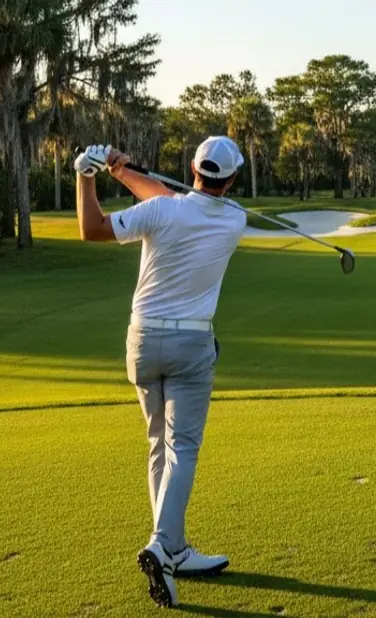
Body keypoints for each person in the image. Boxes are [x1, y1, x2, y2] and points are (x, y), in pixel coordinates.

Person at [74, 137, 248, 608]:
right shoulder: (236, 220)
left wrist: (89, 175)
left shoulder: (162, 212)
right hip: (191, 345)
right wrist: (122, 173)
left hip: (143, 341)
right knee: (183, 448)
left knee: (158, 445)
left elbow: (91, 229)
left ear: (192, 166)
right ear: (231, 180)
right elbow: (175, 204)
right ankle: (161, 545)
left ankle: (173, 546)